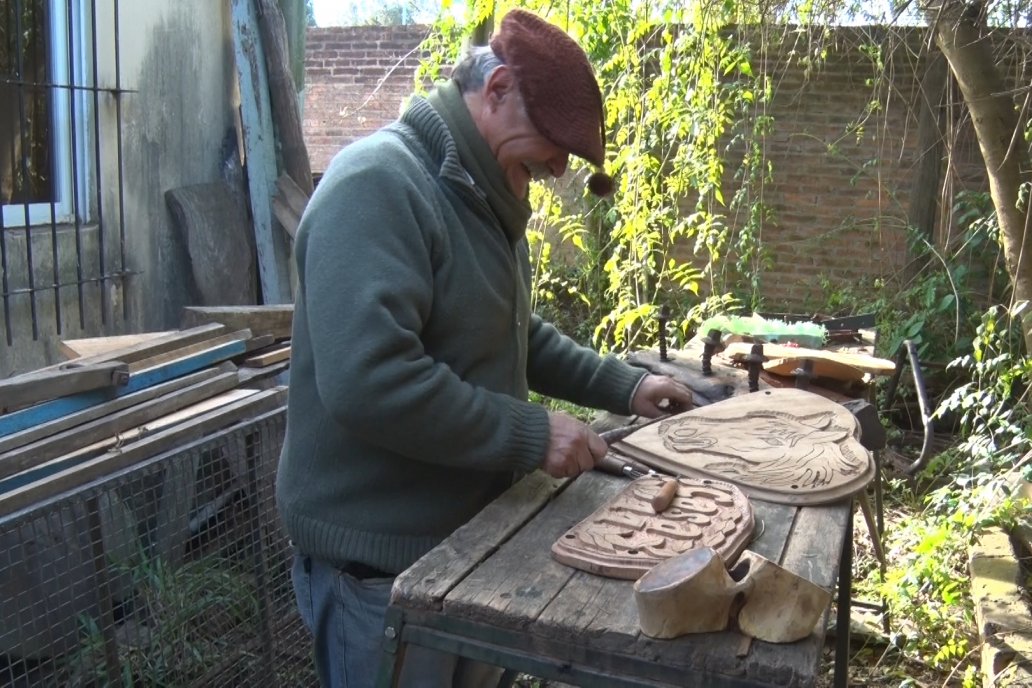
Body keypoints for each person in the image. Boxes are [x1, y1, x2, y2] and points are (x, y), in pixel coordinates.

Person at [276, 9, 693, 688]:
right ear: (497, 89)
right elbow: (370, 382)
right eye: (552, 145)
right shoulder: (378, 185)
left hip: (468, 549)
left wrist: (627, 386)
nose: (558, 168)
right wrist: (533, 434)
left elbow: (512, 332)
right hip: (383, 573)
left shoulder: (484, 192)